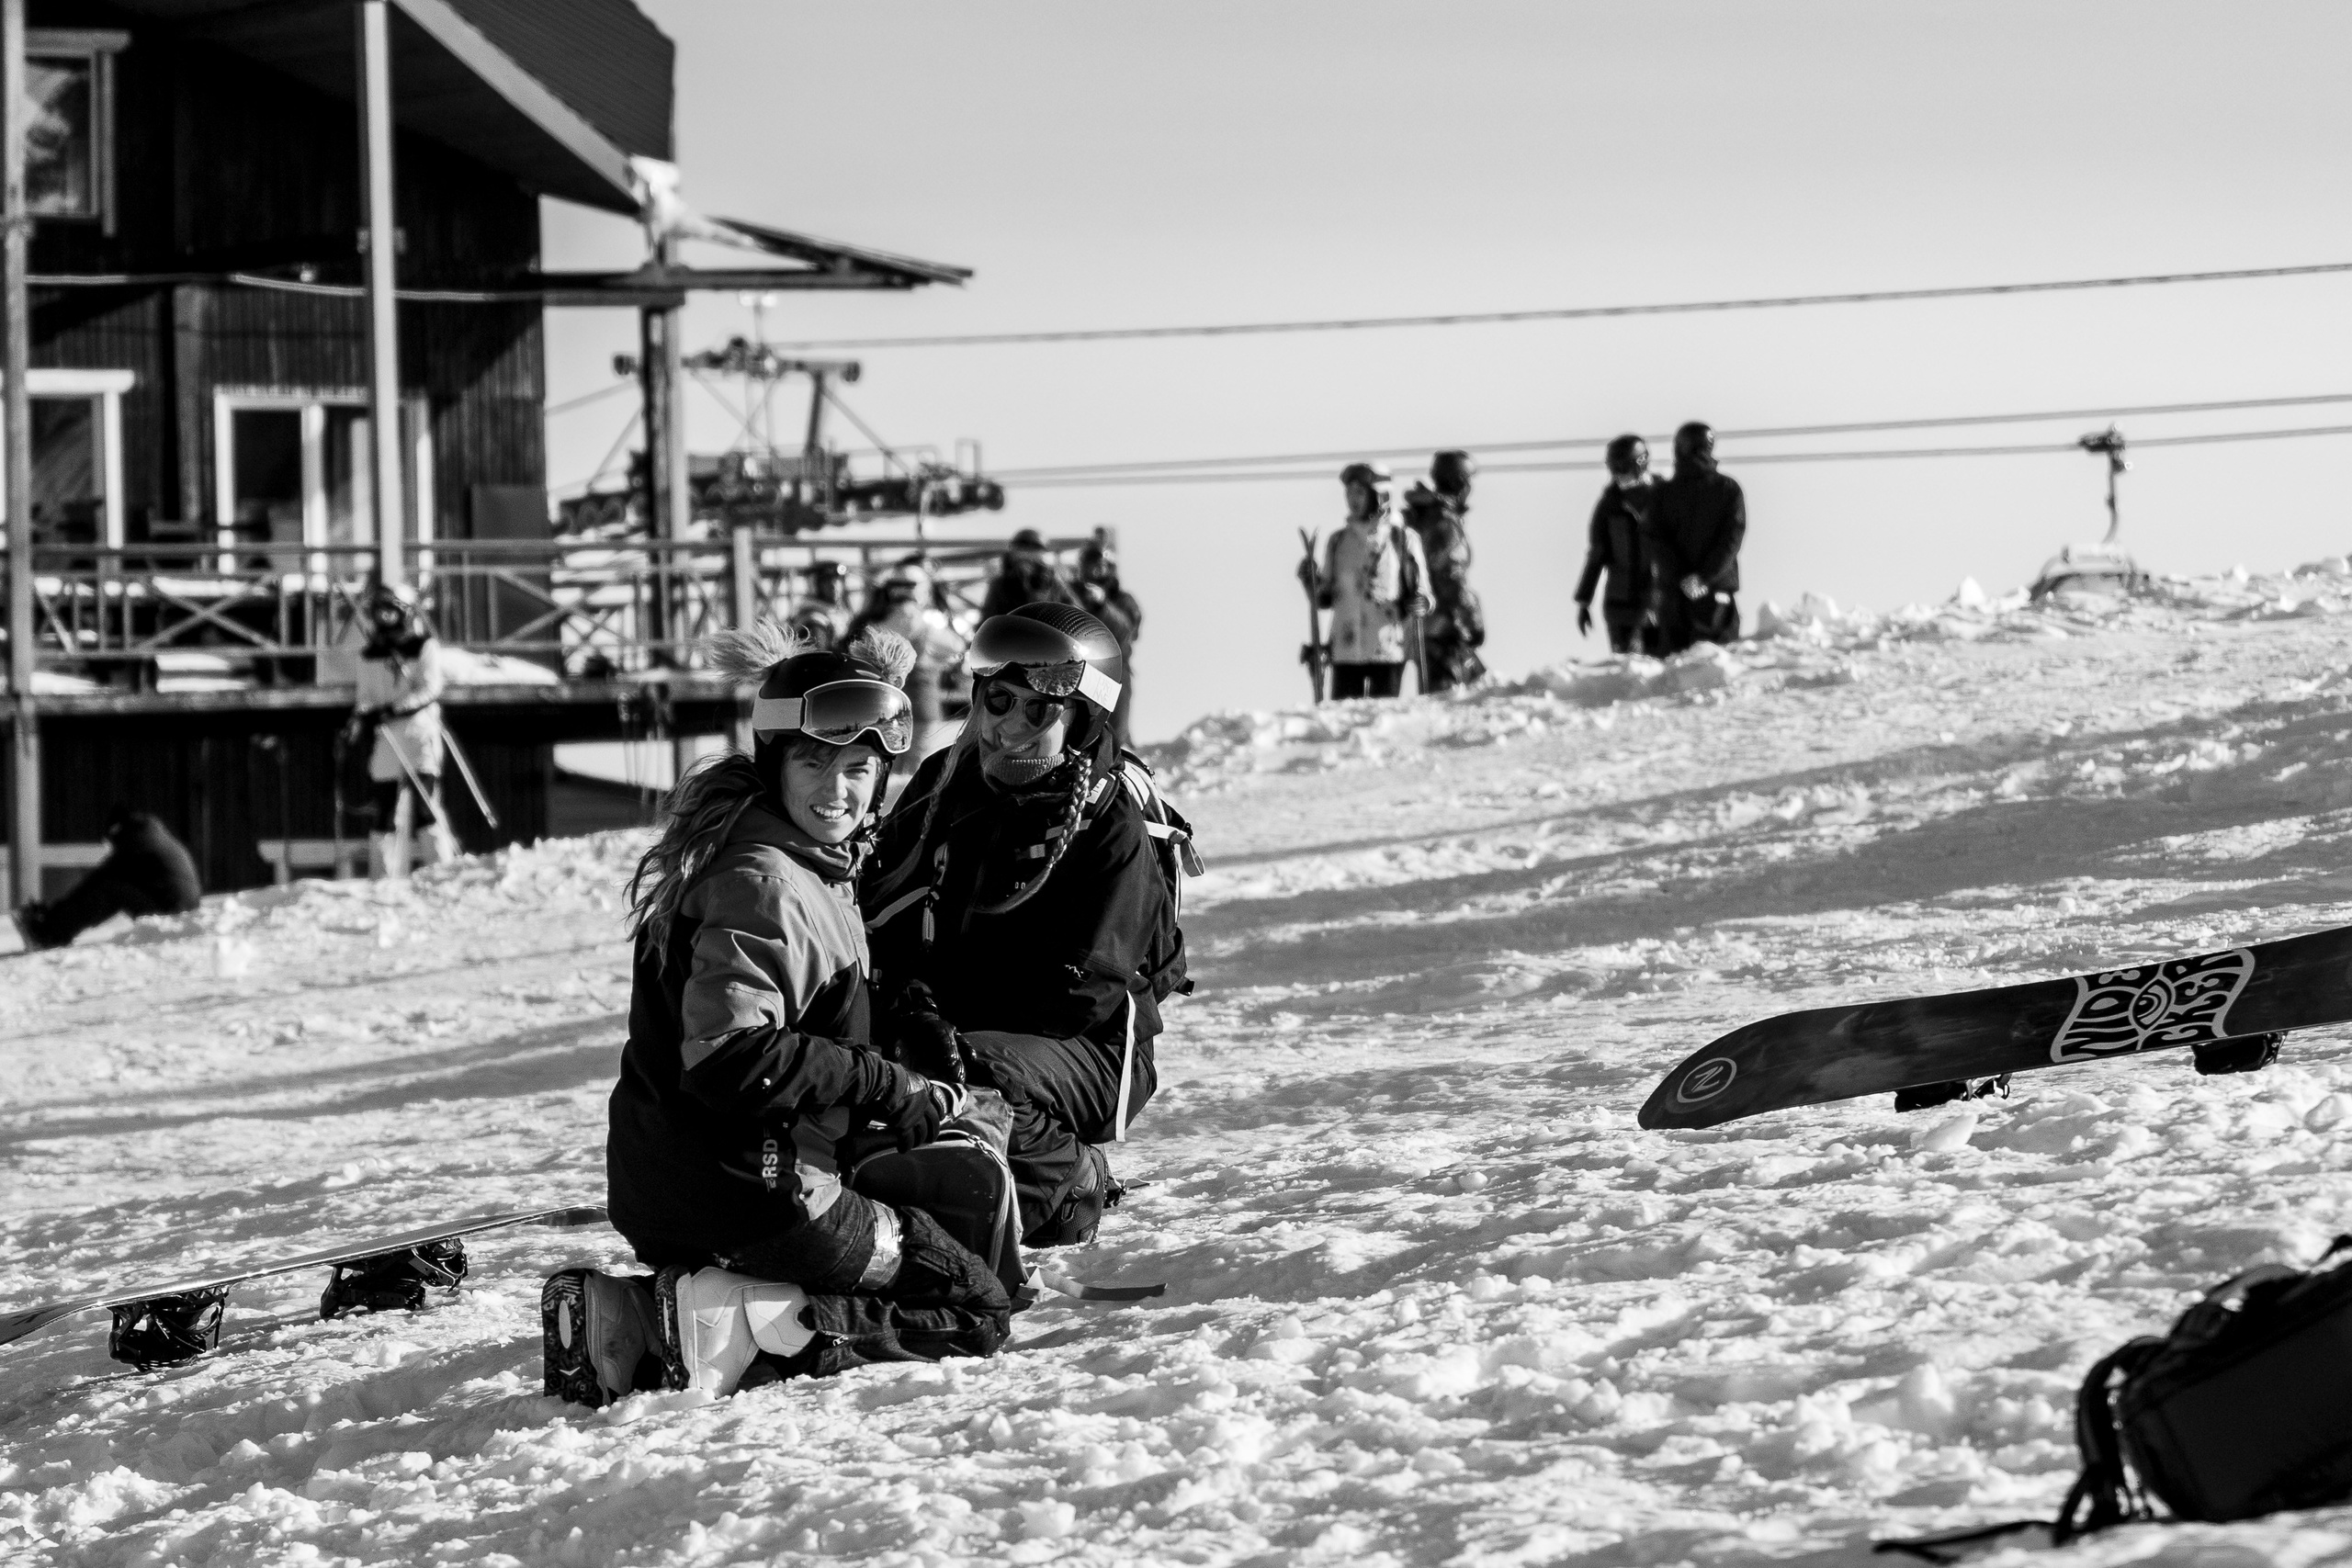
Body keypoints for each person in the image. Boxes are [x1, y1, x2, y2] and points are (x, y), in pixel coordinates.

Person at [571, 623, 1011, 1404]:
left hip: (668, 1191)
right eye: (814, 762)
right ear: (775, 763)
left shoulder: (783, 861)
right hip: (762, 1196)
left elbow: (809, 993)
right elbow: (729, 1055)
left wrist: (906, 1019)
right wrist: (888, 1084)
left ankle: (640, 1315)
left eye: (860, 768)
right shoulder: (767, 878)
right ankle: (745, 1316)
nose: (837, 790)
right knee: (971, 1300)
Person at [863, 603, 1184, 1248]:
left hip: (1089, 1048)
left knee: (966, 1070)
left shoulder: (1107, 822)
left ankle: (1068, 1181)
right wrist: (897, 1004)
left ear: (1083, 717)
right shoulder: (945, 784)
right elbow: (881, 902)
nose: (1008, 726)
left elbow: (1085, 989)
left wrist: (948, 1030)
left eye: (1037, 711)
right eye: (998, 701)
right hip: (955, 1022)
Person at [1297, 462, 1433, 700]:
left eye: (1360, 492)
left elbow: (1424, 593)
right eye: (1349, 492)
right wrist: (1310, 581)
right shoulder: (1338, 541)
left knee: (1383, 718)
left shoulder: (1401, 539)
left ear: (1380, 495)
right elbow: (1325, 598)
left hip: (1387, 648)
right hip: (1345, 650)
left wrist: (1421, 602)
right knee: (1343, 719)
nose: (1353, 499)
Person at [350, 582, 456, 876]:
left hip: (419, 733)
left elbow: (431, 687)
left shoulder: (424, 646)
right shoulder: (369, 654)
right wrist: (362, 717)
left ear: (405, 613)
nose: (385, 618)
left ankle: (442, 871)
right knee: (383, 808)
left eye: (391, 612)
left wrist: (397, 708)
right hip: (387, 737)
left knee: (424, 806)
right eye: (380, 612)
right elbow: (365, 695)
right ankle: (382, 876)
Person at [10, 807, 201, 950]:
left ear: (116, 831)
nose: (109, 847)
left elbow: (98, 880)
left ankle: (50, 934)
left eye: (108, 842)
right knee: (112, 889)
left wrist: (54, 910)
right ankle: (54, 928)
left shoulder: (136, 840)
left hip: (173, 908)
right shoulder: (150, 835)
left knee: (108, 892)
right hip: (179, 904)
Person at [847, 558, 967, 761]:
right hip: (922, 708)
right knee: (916, 770)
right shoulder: (926, 625)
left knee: (887, 765)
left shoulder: (874, 624)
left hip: (882, 711)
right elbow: (956, 646)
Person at [1643, 422, 1747, 654]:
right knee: (1720, 673)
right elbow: (1731, 541)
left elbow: (1656, 541)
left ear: (1679, 449)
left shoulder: (1662, 493)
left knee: (1672, 676)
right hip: (1718, 597)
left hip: (1674, 601)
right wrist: (1704, 578)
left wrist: (1682, 577)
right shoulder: (1729, 489)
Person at [1401, 449, 1486, 693]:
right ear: (1460, 482)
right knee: (1454, 702)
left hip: (1424, 628)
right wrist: (1472, 619)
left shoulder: (1421, 517)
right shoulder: (1443, 523)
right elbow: (1451, 578)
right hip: (1444, 629)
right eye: (1468, 481)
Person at [1576, 434, 1659, 655]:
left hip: (1659, 602)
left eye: (1623, 467)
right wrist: (1584, 601)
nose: (1619, 475)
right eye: (1614, 468)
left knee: (1660, 674)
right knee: (1626, 672)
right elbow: (1596, 555)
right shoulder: (1608, 506)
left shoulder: (1664, 498)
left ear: (1641, 463)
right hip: (1620, 606)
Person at [1071, 530, 1143, 750]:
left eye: (1100, 565)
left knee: (1113, 736)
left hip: (1113, 673)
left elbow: (1126, 630)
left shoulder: (1123, 600)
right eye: (1091, 564)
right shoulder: (1070, 595)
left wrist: (1101, 605)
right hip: (1076, 670)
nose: (1095, 571)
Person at [978, 528, 1077, 624]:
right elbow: (988, 619)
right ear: (1013, 552)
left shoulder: (1052, 581)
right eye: (1022, 550)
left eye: (1033, 551)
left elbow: (1074, 613)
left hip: (1049, 636)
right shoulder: (1000, 584)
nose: (1027, 555)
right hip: (1011, 636)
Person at [784, 560, 853, 650]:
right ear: (816, 585)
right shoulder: (814, 620)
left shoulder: (839, 615)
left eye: (838, 580)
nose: (833, 585)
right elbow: (821, 658)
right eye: (826, 581)